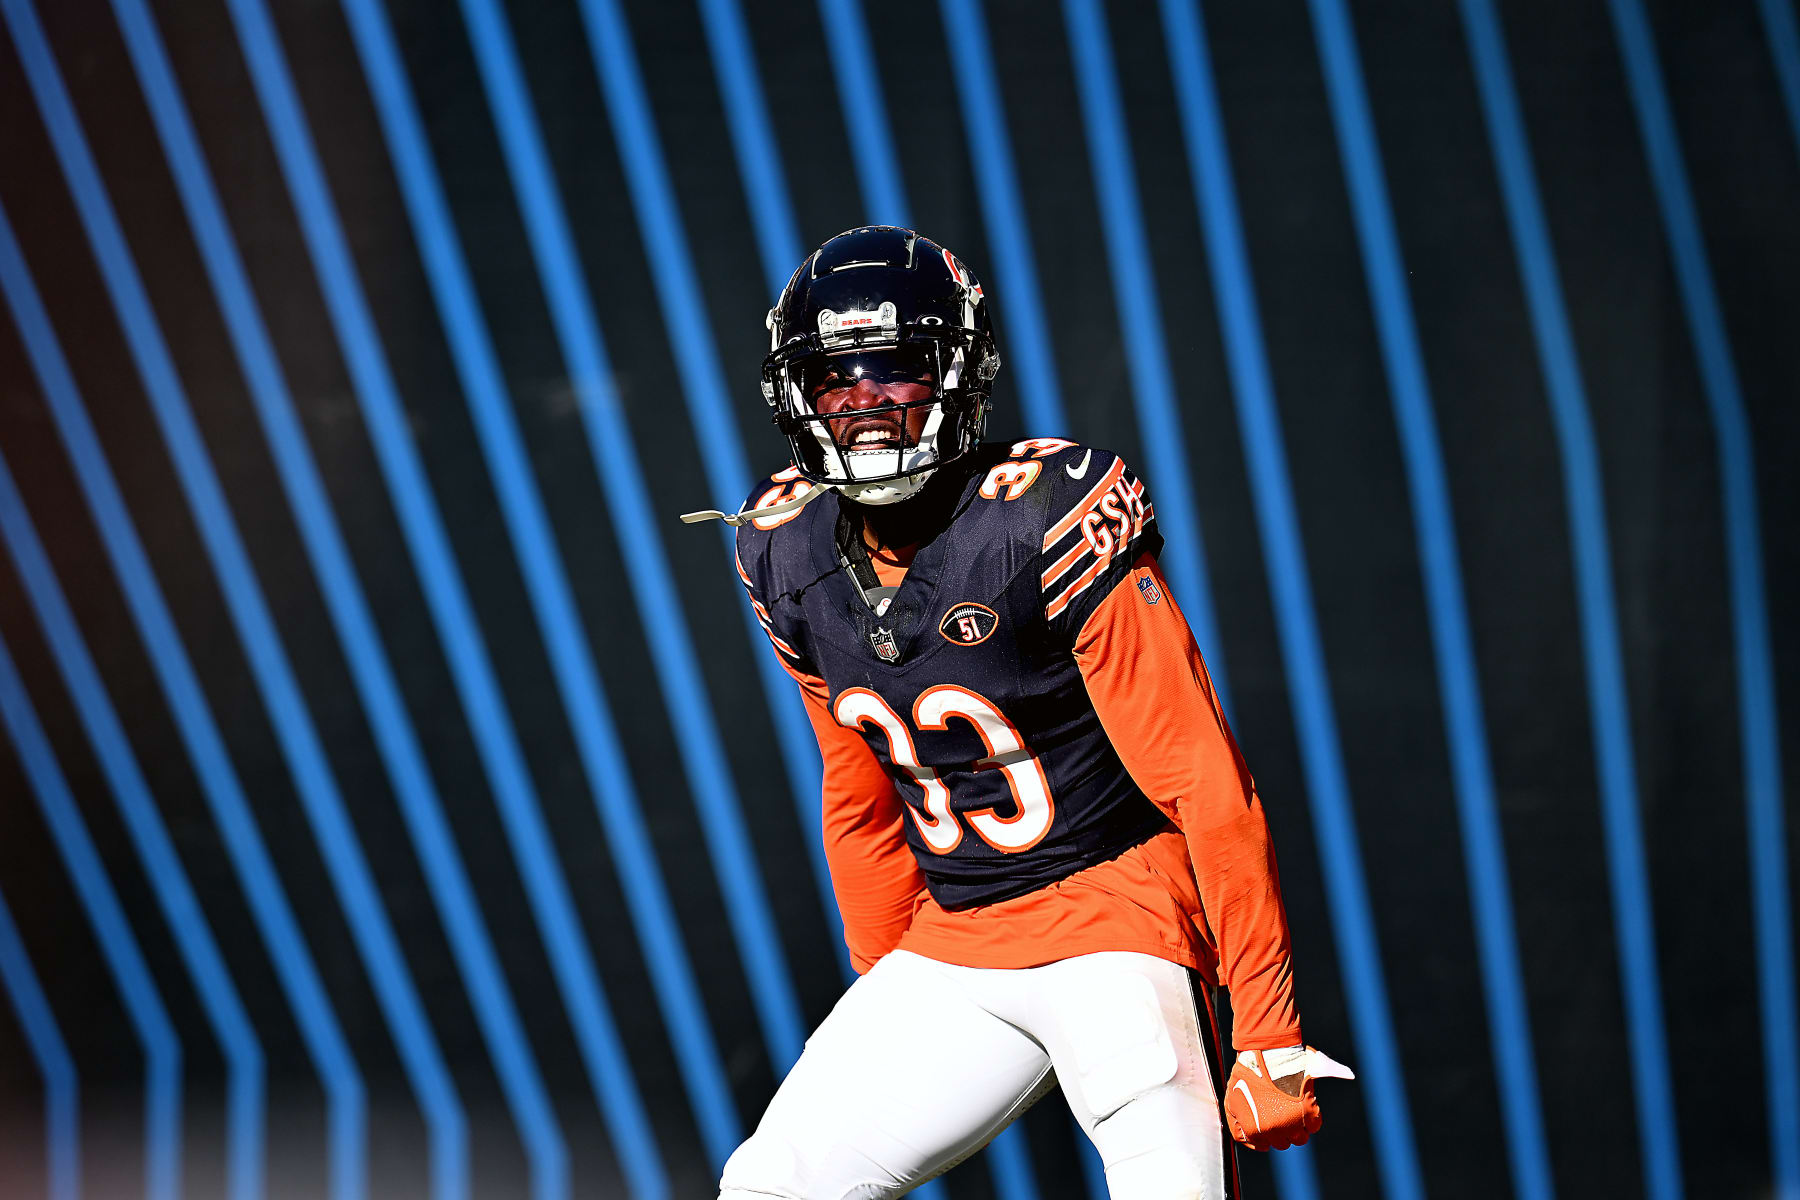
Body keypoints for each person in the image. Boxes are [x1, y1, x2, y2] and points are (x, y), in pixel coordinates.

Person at [688, 226, 1351, 1199]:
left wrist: (1269, 1034)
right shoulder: (783, 544)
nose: (867, 406)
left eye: (897, 371)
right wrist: (882, 980)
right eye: (836, 380)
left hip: (1117, 924)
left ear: (960, 371)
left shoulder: (1041, 512)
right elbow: (859, 792)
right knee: (769, 1187)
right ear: (795, 395)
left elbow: (1204, 781)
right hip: (955, 940)